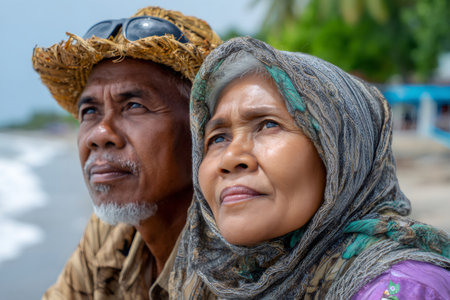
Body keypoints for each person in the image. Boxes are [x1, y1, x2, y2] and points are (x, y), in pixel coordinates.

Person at [170, 37, 450, 299]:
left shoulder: (403, 288)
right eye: (217, 138)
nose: (230, 158)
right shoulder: (226, 282)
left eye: (268, 124)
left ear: (341, 153)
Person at [32, 6, 221, 299]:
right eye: (90, 111)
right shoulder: (110, 233)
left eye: (134, 106)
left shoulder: (245, 259)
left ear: (205, 128)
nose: (99, 134)